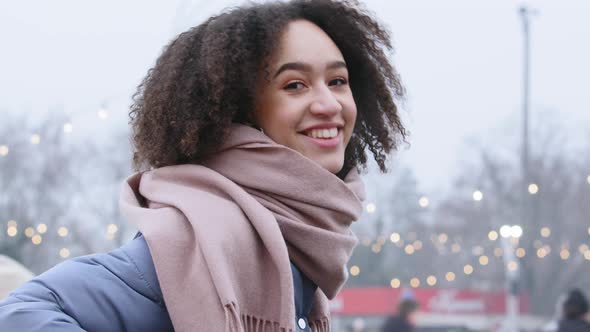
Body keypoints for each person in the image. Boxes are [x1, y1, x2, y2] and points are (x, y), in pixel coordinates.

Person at [0, 0, 406, 331]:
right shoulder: (200, 235)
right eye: (294, 85)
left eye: (337, 81)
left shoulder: (302, 239)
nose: (328, 104)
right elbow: (22, 312)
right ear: (238, 109)